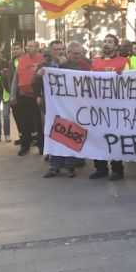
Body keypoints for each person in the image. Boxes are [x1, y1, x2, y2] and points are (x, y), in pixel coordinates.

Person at [33, 40, 83, 178]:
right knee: (53, 135)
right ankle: (55, 166)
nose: (60, 51)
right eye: (56, 49)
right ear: (50, 51)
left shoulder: (71, 64)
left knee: (68, 134)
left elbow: (79, 77)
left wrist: (65, 64)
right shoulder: (44, 66)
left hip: (69, 107)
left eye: (62, 49)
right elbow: (34, 85)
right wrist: (38, 76)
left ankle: (70, 165)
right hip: (51, 107)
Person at [90, 34, 130, 180]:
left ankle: (117, 169)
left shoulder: (125, 61)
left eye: (110, 42)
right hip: (98, 107)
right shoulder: (95, 62)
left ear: (116, 46)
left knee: (115, 139)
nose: (106, 44)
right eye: (105, 41)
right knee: (97, 138)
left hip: (116, 108)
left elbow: (131, 82)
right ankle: (100, 168)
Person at [11, 40, 44, 156]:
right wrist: (13, 93)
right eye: (27, 46)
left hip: (37, 96)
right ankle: (25, 146)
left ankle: (42, 146)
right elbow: (16, 77)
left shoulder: (43, 59)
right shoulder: (22, 59)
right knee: (24, 122)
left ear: (37, 48)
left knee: (40, 123)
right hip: (23, 95)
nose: (27, 48)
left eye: (31, 46)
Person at [8, 43, 24, 145]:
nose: (15, 51)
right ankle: (21, 136)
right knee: (16, 115)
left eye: (17, 49)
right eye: (13, 49)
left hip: (24, 91)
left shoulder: (25, 60)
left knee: (25, 116)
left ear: (21, 49)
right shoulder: (10, 62)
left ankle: (31, 137)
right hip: (14, 92)